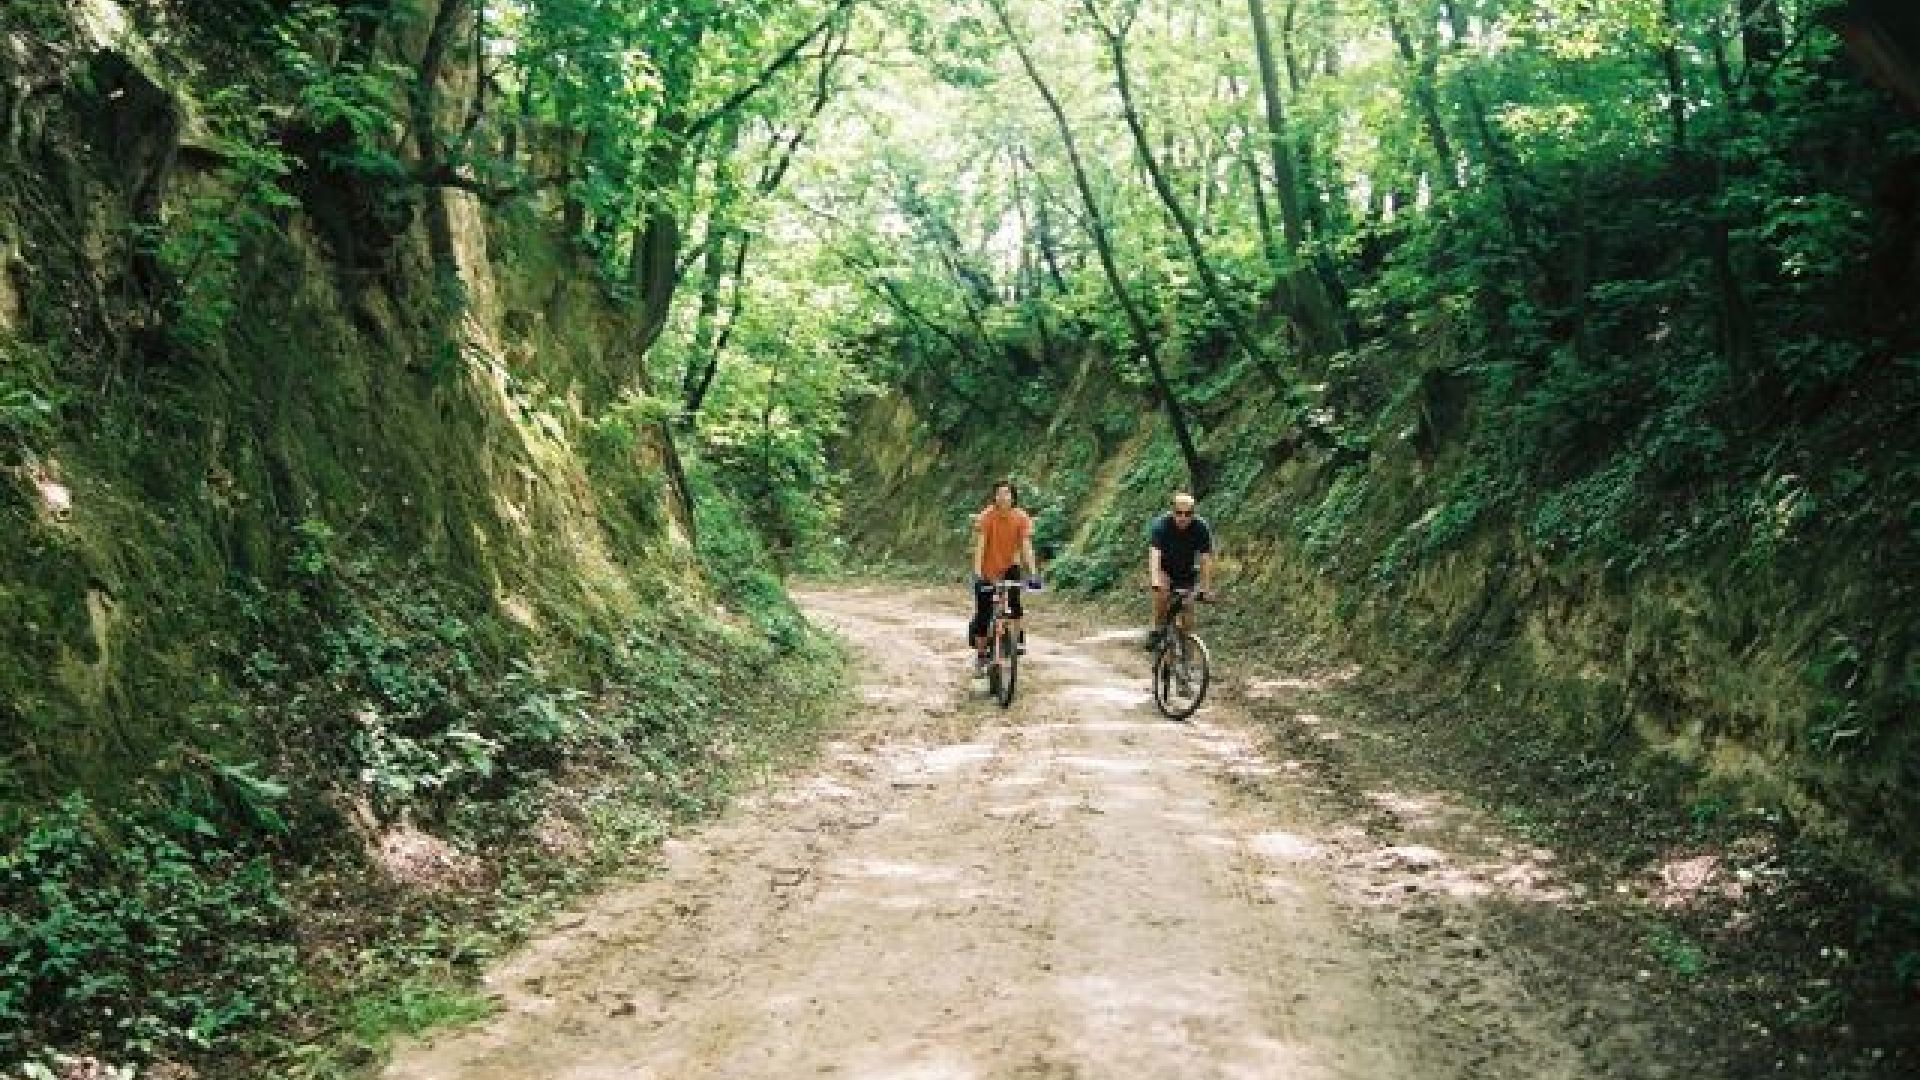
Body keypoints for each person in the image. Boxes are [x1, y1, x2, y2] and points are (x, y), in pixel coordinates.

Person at [969, 479, 1042, 675]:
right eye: (999, 493)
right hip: (988, 570)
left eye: (1007, 493)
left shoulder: (1021, 518)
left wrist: (1033, 573)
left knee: (1015, 605)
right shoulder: (987, 516)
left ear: (1013, 496)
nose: (1003, 497)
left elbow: (1026, 547)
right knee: (984, 614)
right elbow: (981, 546)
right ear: (994, 497)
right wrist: (977, 573)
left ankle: (1016, 641)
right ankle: (982, 655)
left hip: (1010, 567)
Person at [1147, 491, 1213, 648]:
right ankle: (1157, 629)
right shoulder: (1161, 526)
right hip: (1166, 571)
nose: (1183, 517)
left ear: (1193, 514)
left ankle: (1186, 659)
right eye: (1179, 513)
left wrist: (1205, 588)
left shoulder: (1200, 527)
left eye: (1188, 514)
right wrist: (1155, 580)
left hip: (1187, 573)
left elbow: (1205, 559)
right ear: (1172, 512)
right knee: (1162, 592)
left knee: (1188, 617)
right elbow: (1155, 555)